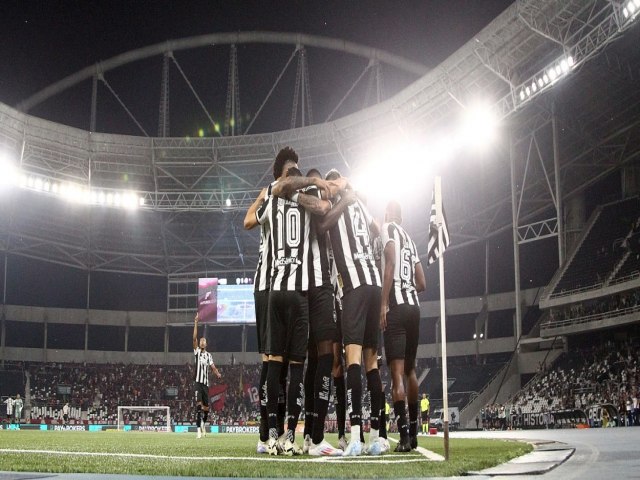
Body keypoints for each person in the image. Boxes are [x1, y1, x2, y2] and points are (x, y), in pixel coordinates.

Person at [256, 166, 334, 456]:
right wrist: (309, 188)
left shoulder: (272, 201)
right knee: (296, 371)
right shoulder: (306, 203)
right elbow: (324, 207)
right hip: (299, 293)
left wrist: (279, 189)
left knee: (274, 366)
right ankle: (290, 437)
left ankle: (273, 438)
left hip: (275, 290)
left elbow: (253, 219)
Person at [316, 169, 384, 456]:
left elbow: (323, 227)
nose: (324, 193)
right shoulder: (360, 205)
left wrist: (341, 199)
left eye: (327, 187)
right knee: (372, 363)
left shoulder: (338, 205)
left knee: (353, 357)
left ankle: (356, 436)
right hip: (375, 283)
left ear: (335, 184)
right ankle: (379, 437)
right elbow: (378, 229)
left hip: (354, 287)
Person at [244, 146, 300, 453]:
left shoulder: (294, 195)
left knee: (284, 361)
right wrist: (264, 193)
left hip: (291, 285)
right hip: (267, 285)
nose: (294, 173)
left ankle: (278, 434)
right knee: (270, 359)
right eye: (291, 169)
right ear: (281, 173)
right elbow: (248, 221)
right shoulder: (272, 193)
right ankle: (265, 434)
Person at [379, 201, 425, 452]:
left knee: (396, 373)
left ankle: (405, 437)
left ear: (388, 214)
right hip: (414, 308)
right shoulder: (411, 239)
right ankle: (415, 433)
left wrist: (384, 302)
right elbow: (422, 282)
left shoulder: (388, 229)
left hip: (396, 308)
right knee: (411, 371)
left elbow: (390, 263)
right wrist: (407, 290)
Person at [193, 313, 222, 439]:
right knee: (198, 406)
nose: (202, 342)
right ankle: (198, 430)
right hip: (198, 383)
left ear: (206, 344)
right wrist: (195, 323)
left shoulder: (209, 355)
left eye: (204, 341)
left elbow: (213, 367)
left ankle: (203, 424)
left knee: (206, 410)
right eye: (201, 341)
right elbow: (194, 338)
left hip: (206, 384)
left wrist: (217, 373)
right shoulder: (197, 352)